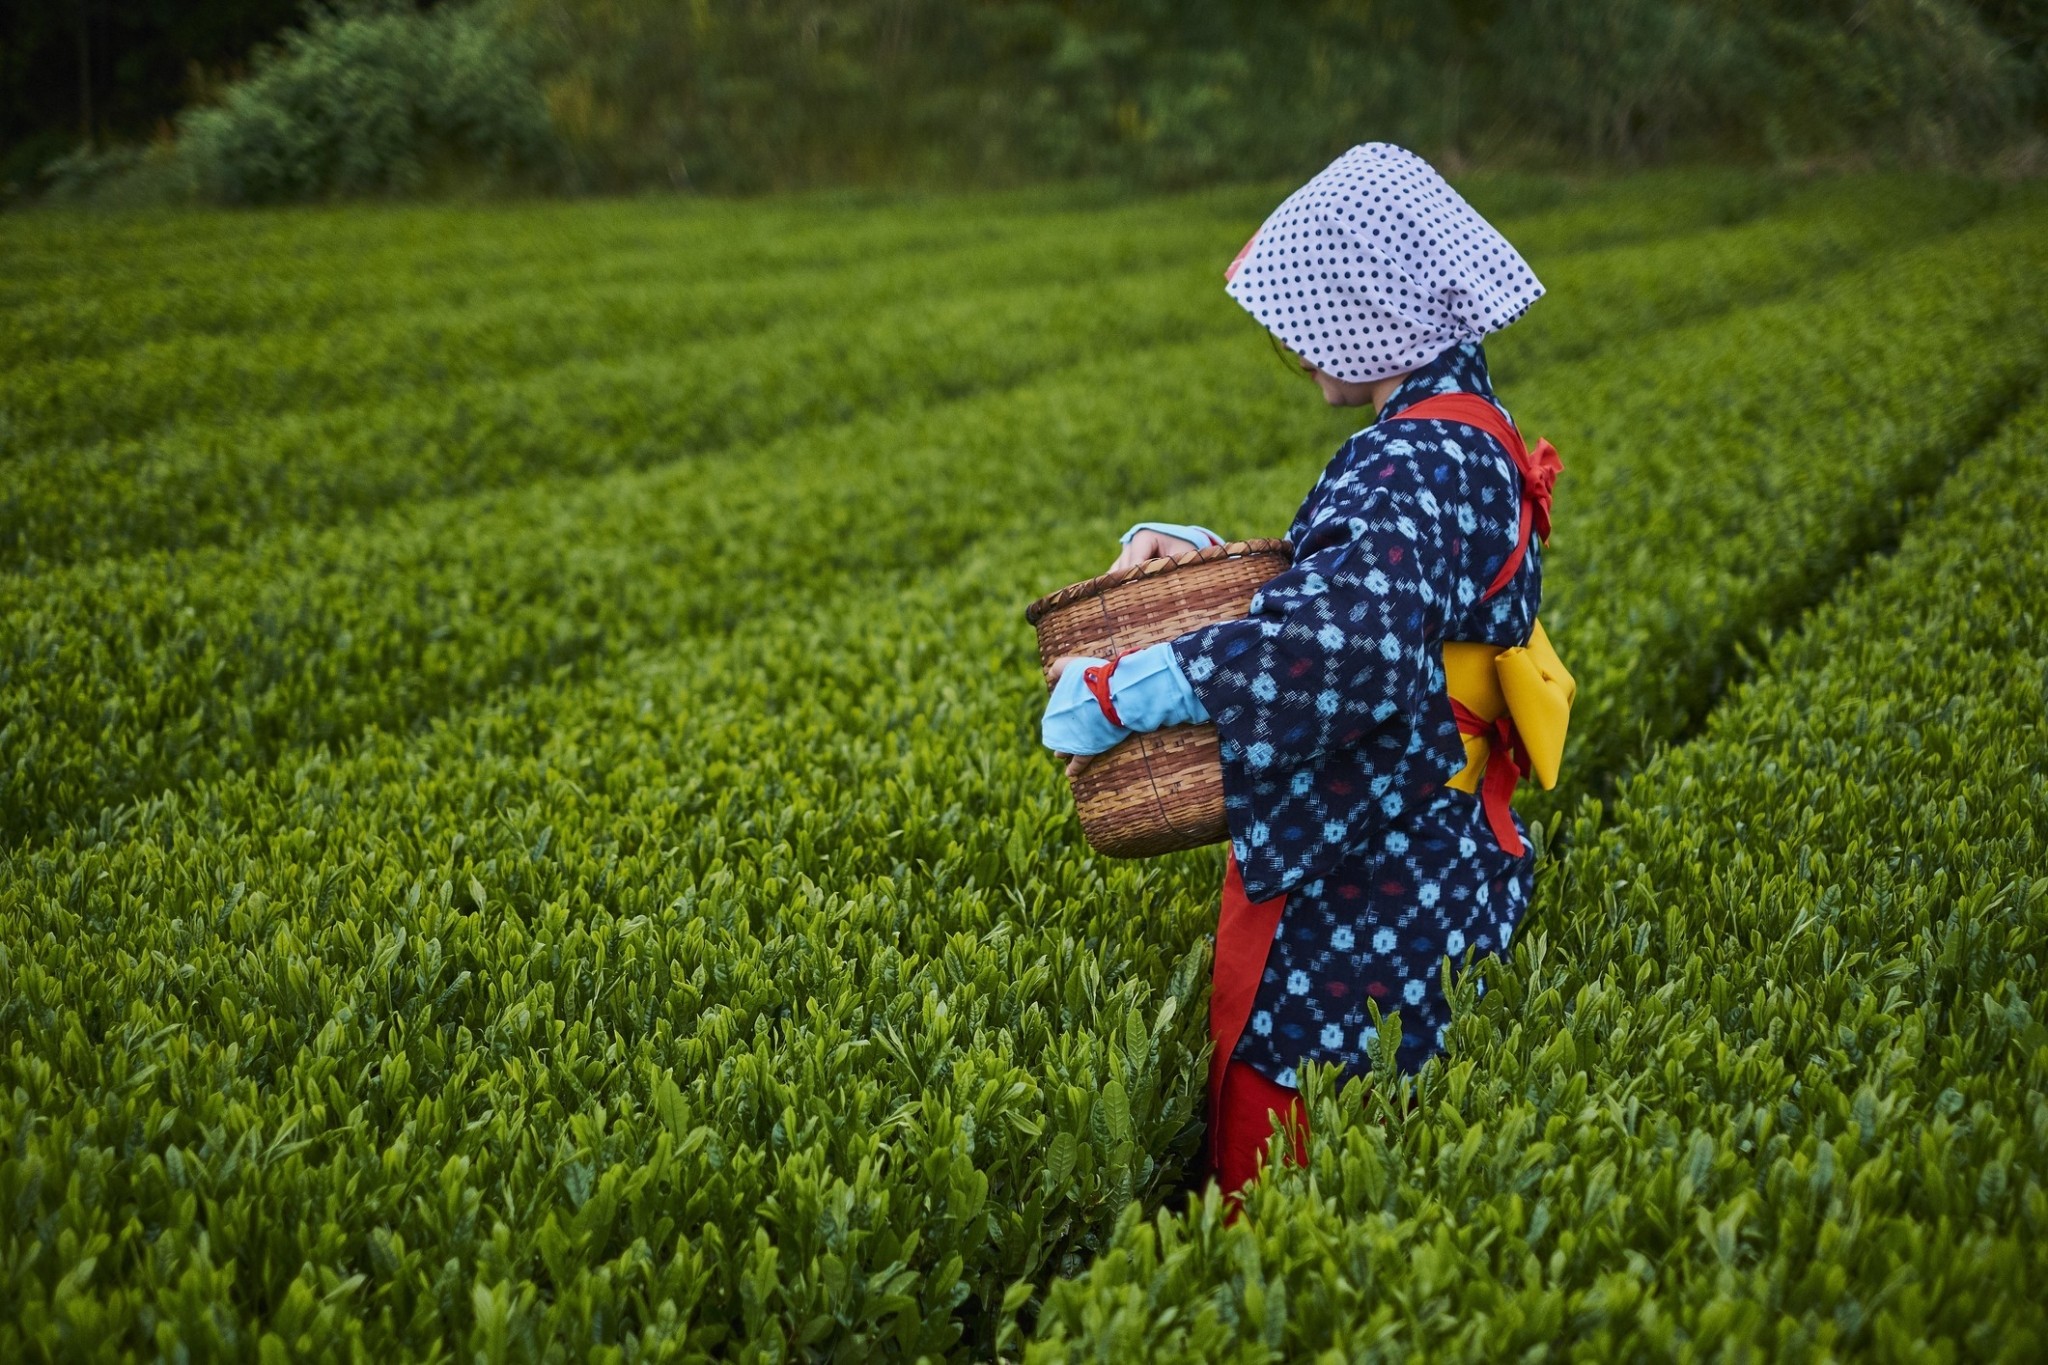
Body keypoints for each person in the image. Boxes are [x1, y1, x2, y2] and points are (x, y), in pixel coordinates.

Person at [1040, 143, 1563, 1202]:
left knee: (1287, 1176)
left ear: (1373, 311)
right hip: (1445, 844)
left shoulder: (1408, 457)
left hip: (1368, 882)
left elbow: (1333, 649)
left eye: (1309, 317)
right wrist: (1207, 556)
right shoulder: (1468, 432)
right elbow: (1375, 590)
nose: (1294, 343)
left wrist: (1114, 693)